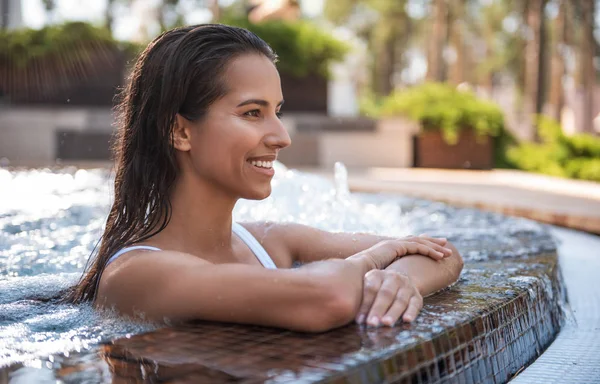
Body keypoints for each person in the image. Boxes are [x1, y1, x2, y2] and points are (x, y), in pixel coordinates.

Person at [65, 24, 463, 333]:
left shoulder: (270, 242)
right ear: (181, 131)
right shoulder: (135, 274)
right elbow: (328, 298)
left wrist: (397, 280)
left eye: (277, 111)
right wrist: (377, 260)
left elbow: (443, 254)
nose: (281, 137)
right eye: (252, 113)